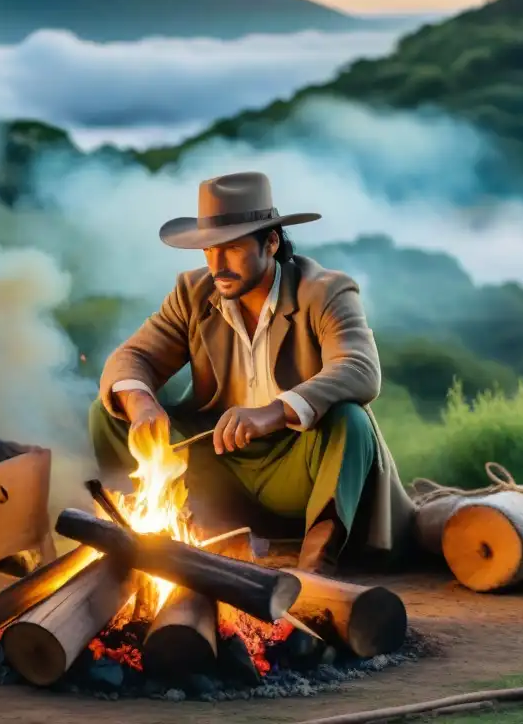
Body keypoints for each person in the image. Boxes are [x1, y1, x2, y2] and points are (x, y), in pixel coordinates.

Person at [89, 171, 415, 574]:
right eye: (209, 249)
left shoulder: (326, 291)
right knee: (111, 411)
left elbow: (360, 368)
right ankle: (152, 542)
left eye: (233, 248)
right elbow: (133, 357)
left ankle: (317, 566)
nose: (217, 264)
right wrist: (141, 406)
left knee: (351, 420)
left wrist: (271, 413)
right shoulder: (193, 293)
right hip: (217, 464)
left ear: (271, 242)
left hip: (297, 467)